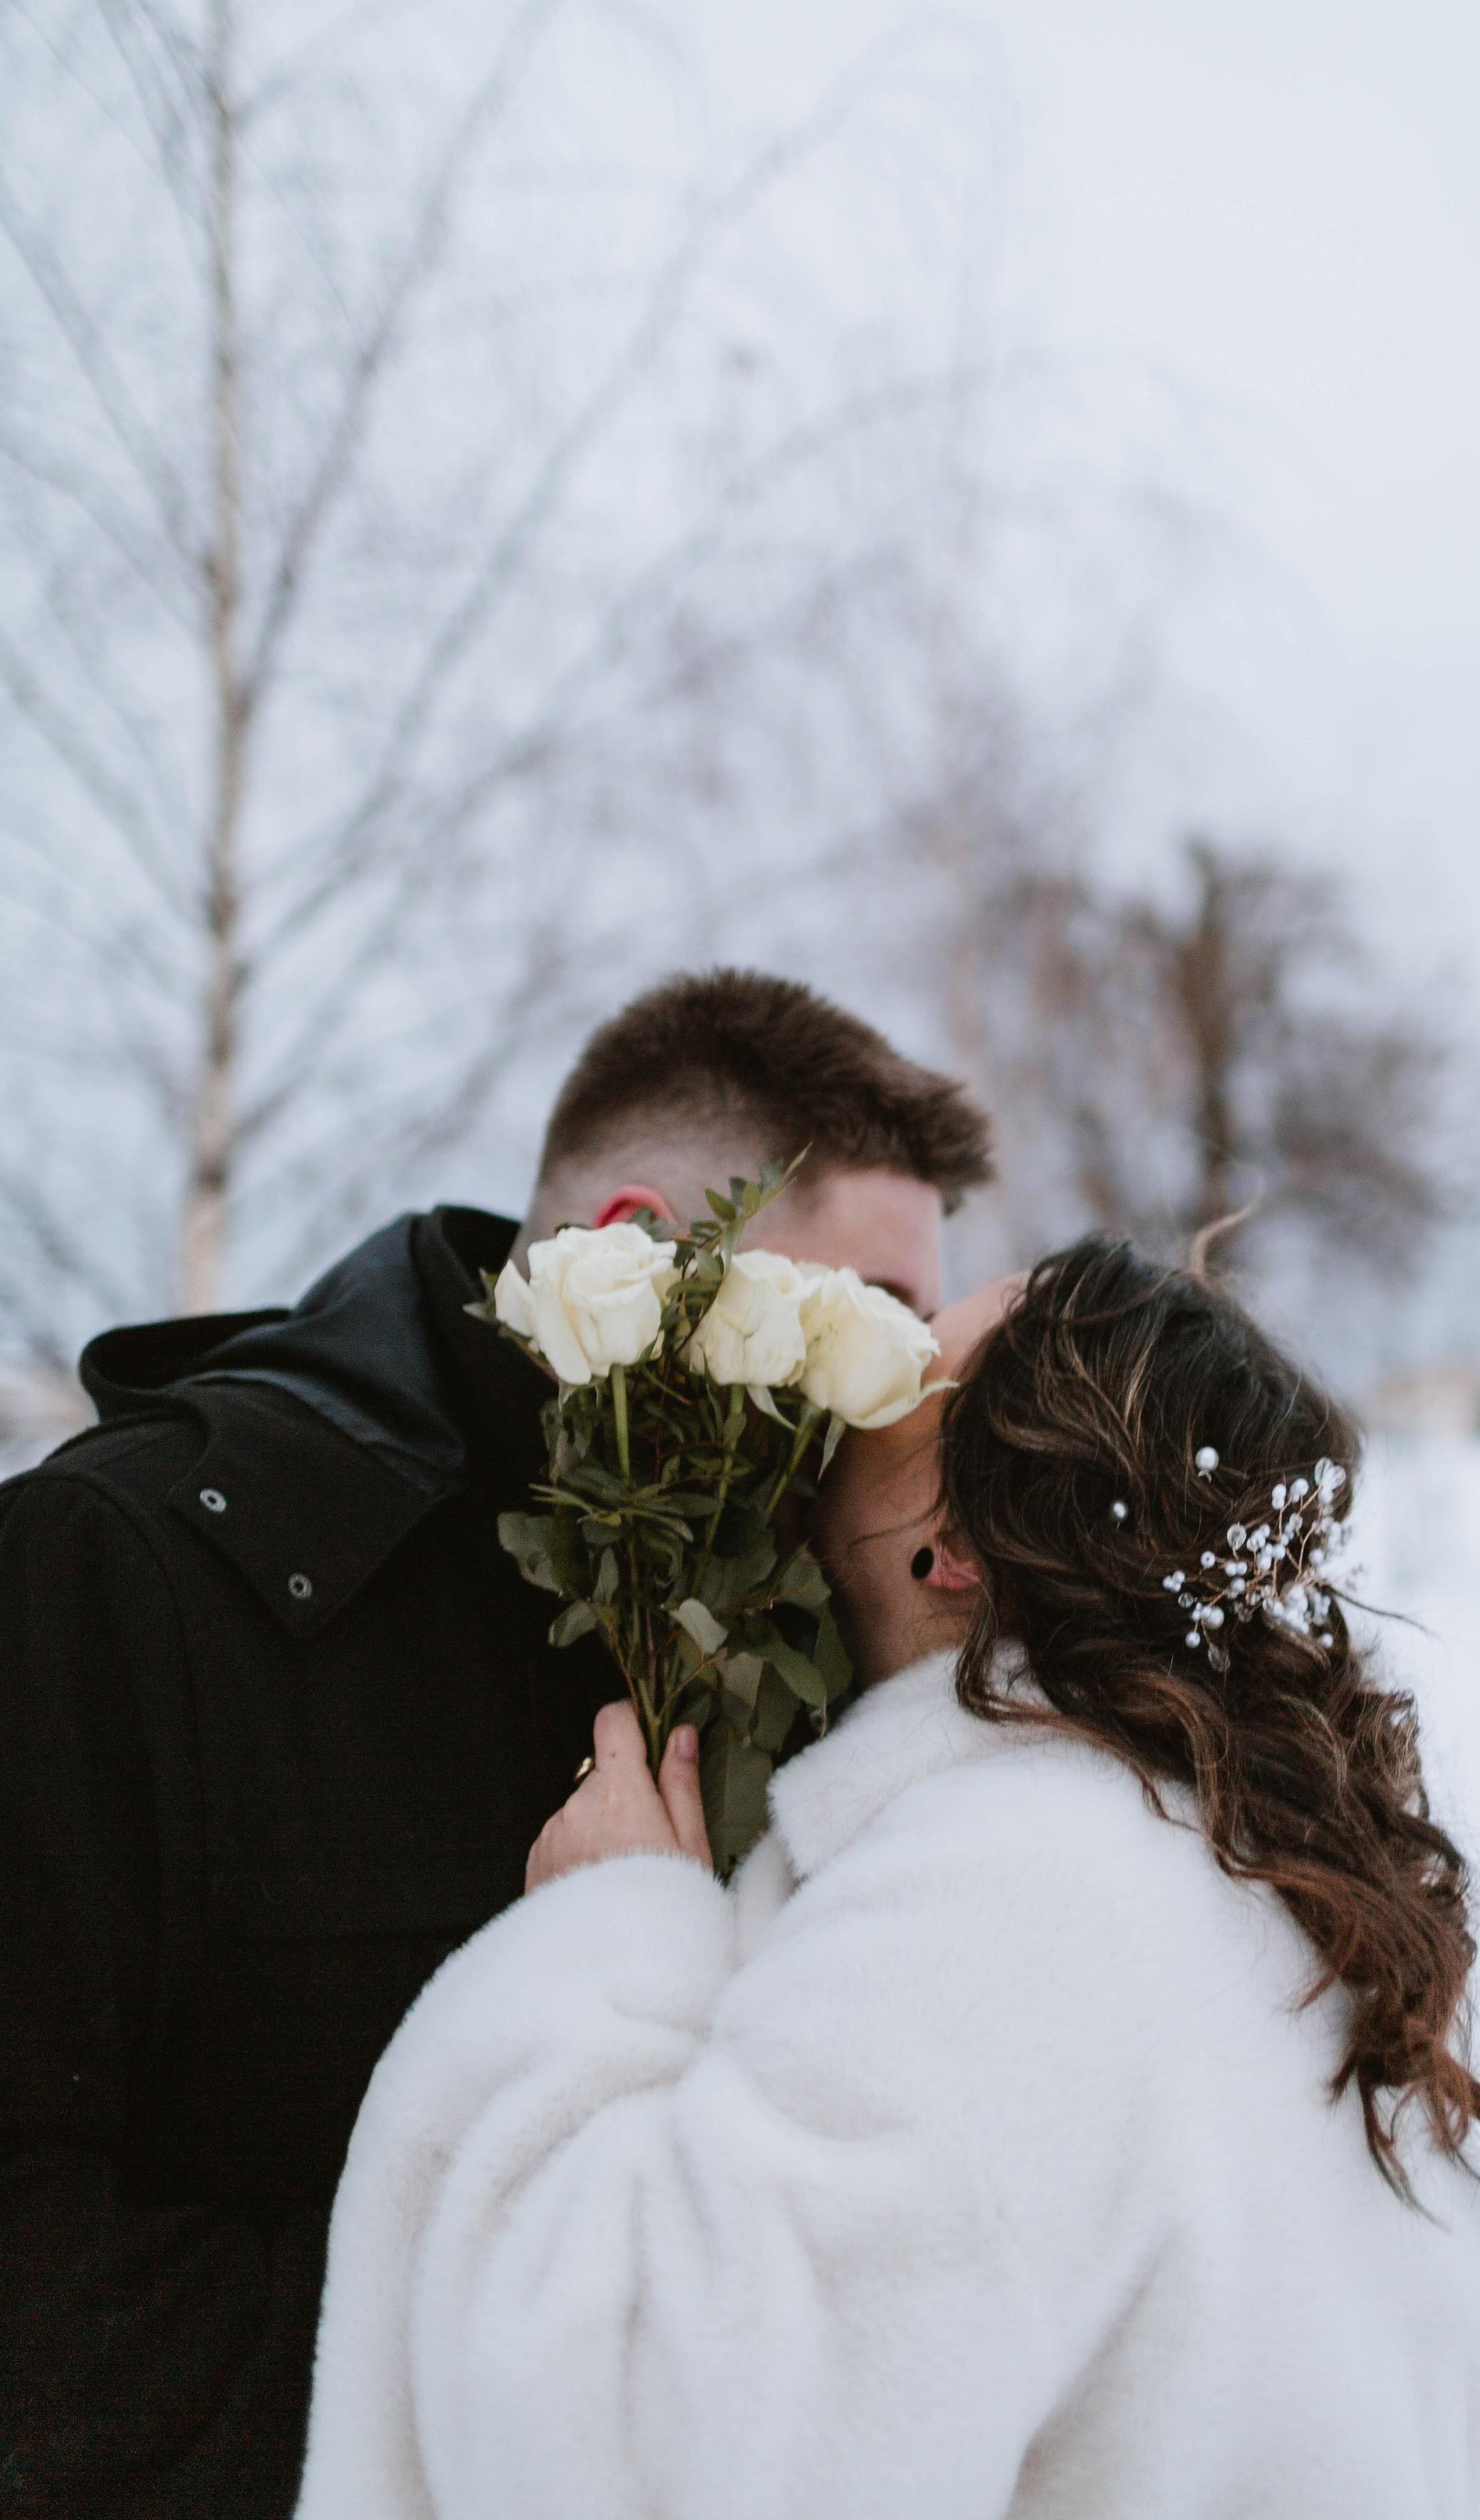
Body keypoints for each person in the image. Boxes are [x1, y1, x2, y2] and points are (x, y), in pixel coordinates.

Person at [295, 1238, 1480, 2520]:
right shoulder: (1263, 1879)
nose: (847, 1394)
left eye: (914, 1357)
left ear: (951, 1545)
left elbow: (663, 2453)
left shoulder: (1015, 1906)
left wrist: (607, 1941)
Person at [0, 969, 992, 2520]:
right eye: (864, 1316)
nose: (895, 1396)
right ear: (633, 1247)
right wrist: (484, 2413)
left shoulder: (810, 1629)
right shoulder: (121, 1576)